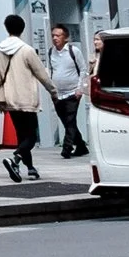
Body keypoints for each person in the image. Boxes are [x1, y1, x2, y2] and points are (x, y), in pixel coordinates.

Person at [0, 13, 56, 185]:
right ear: (22, 29)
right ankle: (15, 159)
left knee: (22, 135)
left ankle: (30, 168)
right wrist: (53, 91)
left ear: (6, 28)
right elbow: (41, 74)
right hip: (26, 99)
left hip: (10, 100)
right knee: (31, 137)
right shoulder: (27, 50)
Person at [47, 21, 90, 160]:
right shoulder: (50, 52)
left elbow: (83, 70)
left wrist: (80, 89)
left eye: (58, 36)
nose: (55, 38)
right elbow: (51, 70)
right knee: (66, 121)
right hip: (58, 94)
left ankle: (67, 148)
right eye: (53, 35)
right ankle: (81, 146)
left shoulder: (73, 51)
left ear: (65, 38)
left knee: (70, 119)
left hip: (73, 92)